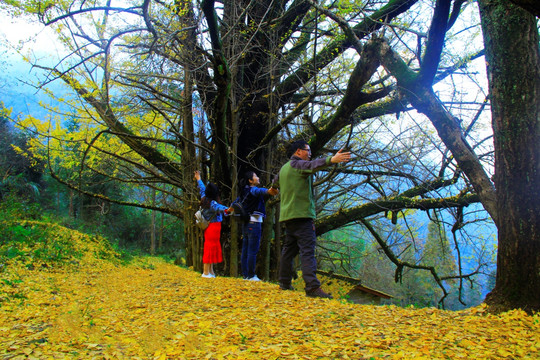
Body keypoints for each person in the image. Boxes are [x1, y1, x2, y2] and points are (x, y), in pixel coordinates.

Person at [276, 140, 351, 298]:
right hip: (302, 216)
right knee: (307, 251)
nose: (310, 154)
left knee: (288, 251)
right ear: (298, 151)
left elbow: (274, 183)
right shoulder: (299, 165)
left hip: (287, 218)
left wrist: (271, 190)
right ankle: (312, 287)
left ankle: (284, 282)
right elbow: (312, 166)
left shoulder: (283, 169)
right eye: (307, 151)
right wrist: (332, 160)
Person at [237, 171, 279, 281]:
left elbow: (236, 202)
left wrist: (229, 210)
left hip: (246, 224)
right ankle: (251, 275)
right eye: (255, 176)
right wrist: (269, 191)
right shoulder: (252, 189)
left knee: (245, 250)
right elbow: (259, 191)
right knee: (252, 250)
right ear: (251, 181)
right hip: (254, 223)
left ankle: (245, 275)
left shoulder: (244, 191)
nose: (257, 177)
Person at [194, 170, 232, 278]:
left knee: (210, 247)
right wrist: (228, 209)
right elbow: (220, 208)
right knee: (210, 247)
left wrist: (198, 178)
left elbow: (202, 187)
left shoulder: (204, 198)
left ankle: (210, 271)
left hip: (209, 227)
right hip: (214, 227)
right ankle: (206, 272)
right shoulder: (213, 203)